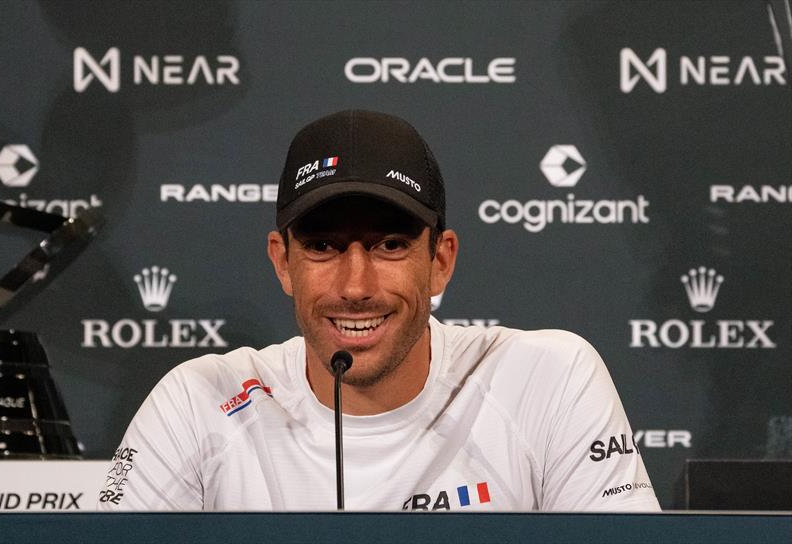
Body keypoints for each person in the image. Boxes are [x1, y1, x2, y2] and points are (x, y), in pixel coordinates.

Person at [97, 110, 660, 511]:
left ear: (440, 260)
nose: (356, 286)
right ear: (282, 262)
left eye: (390, 245)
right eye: (323, 246)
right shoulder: (195, 402)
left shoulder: (549, 379)